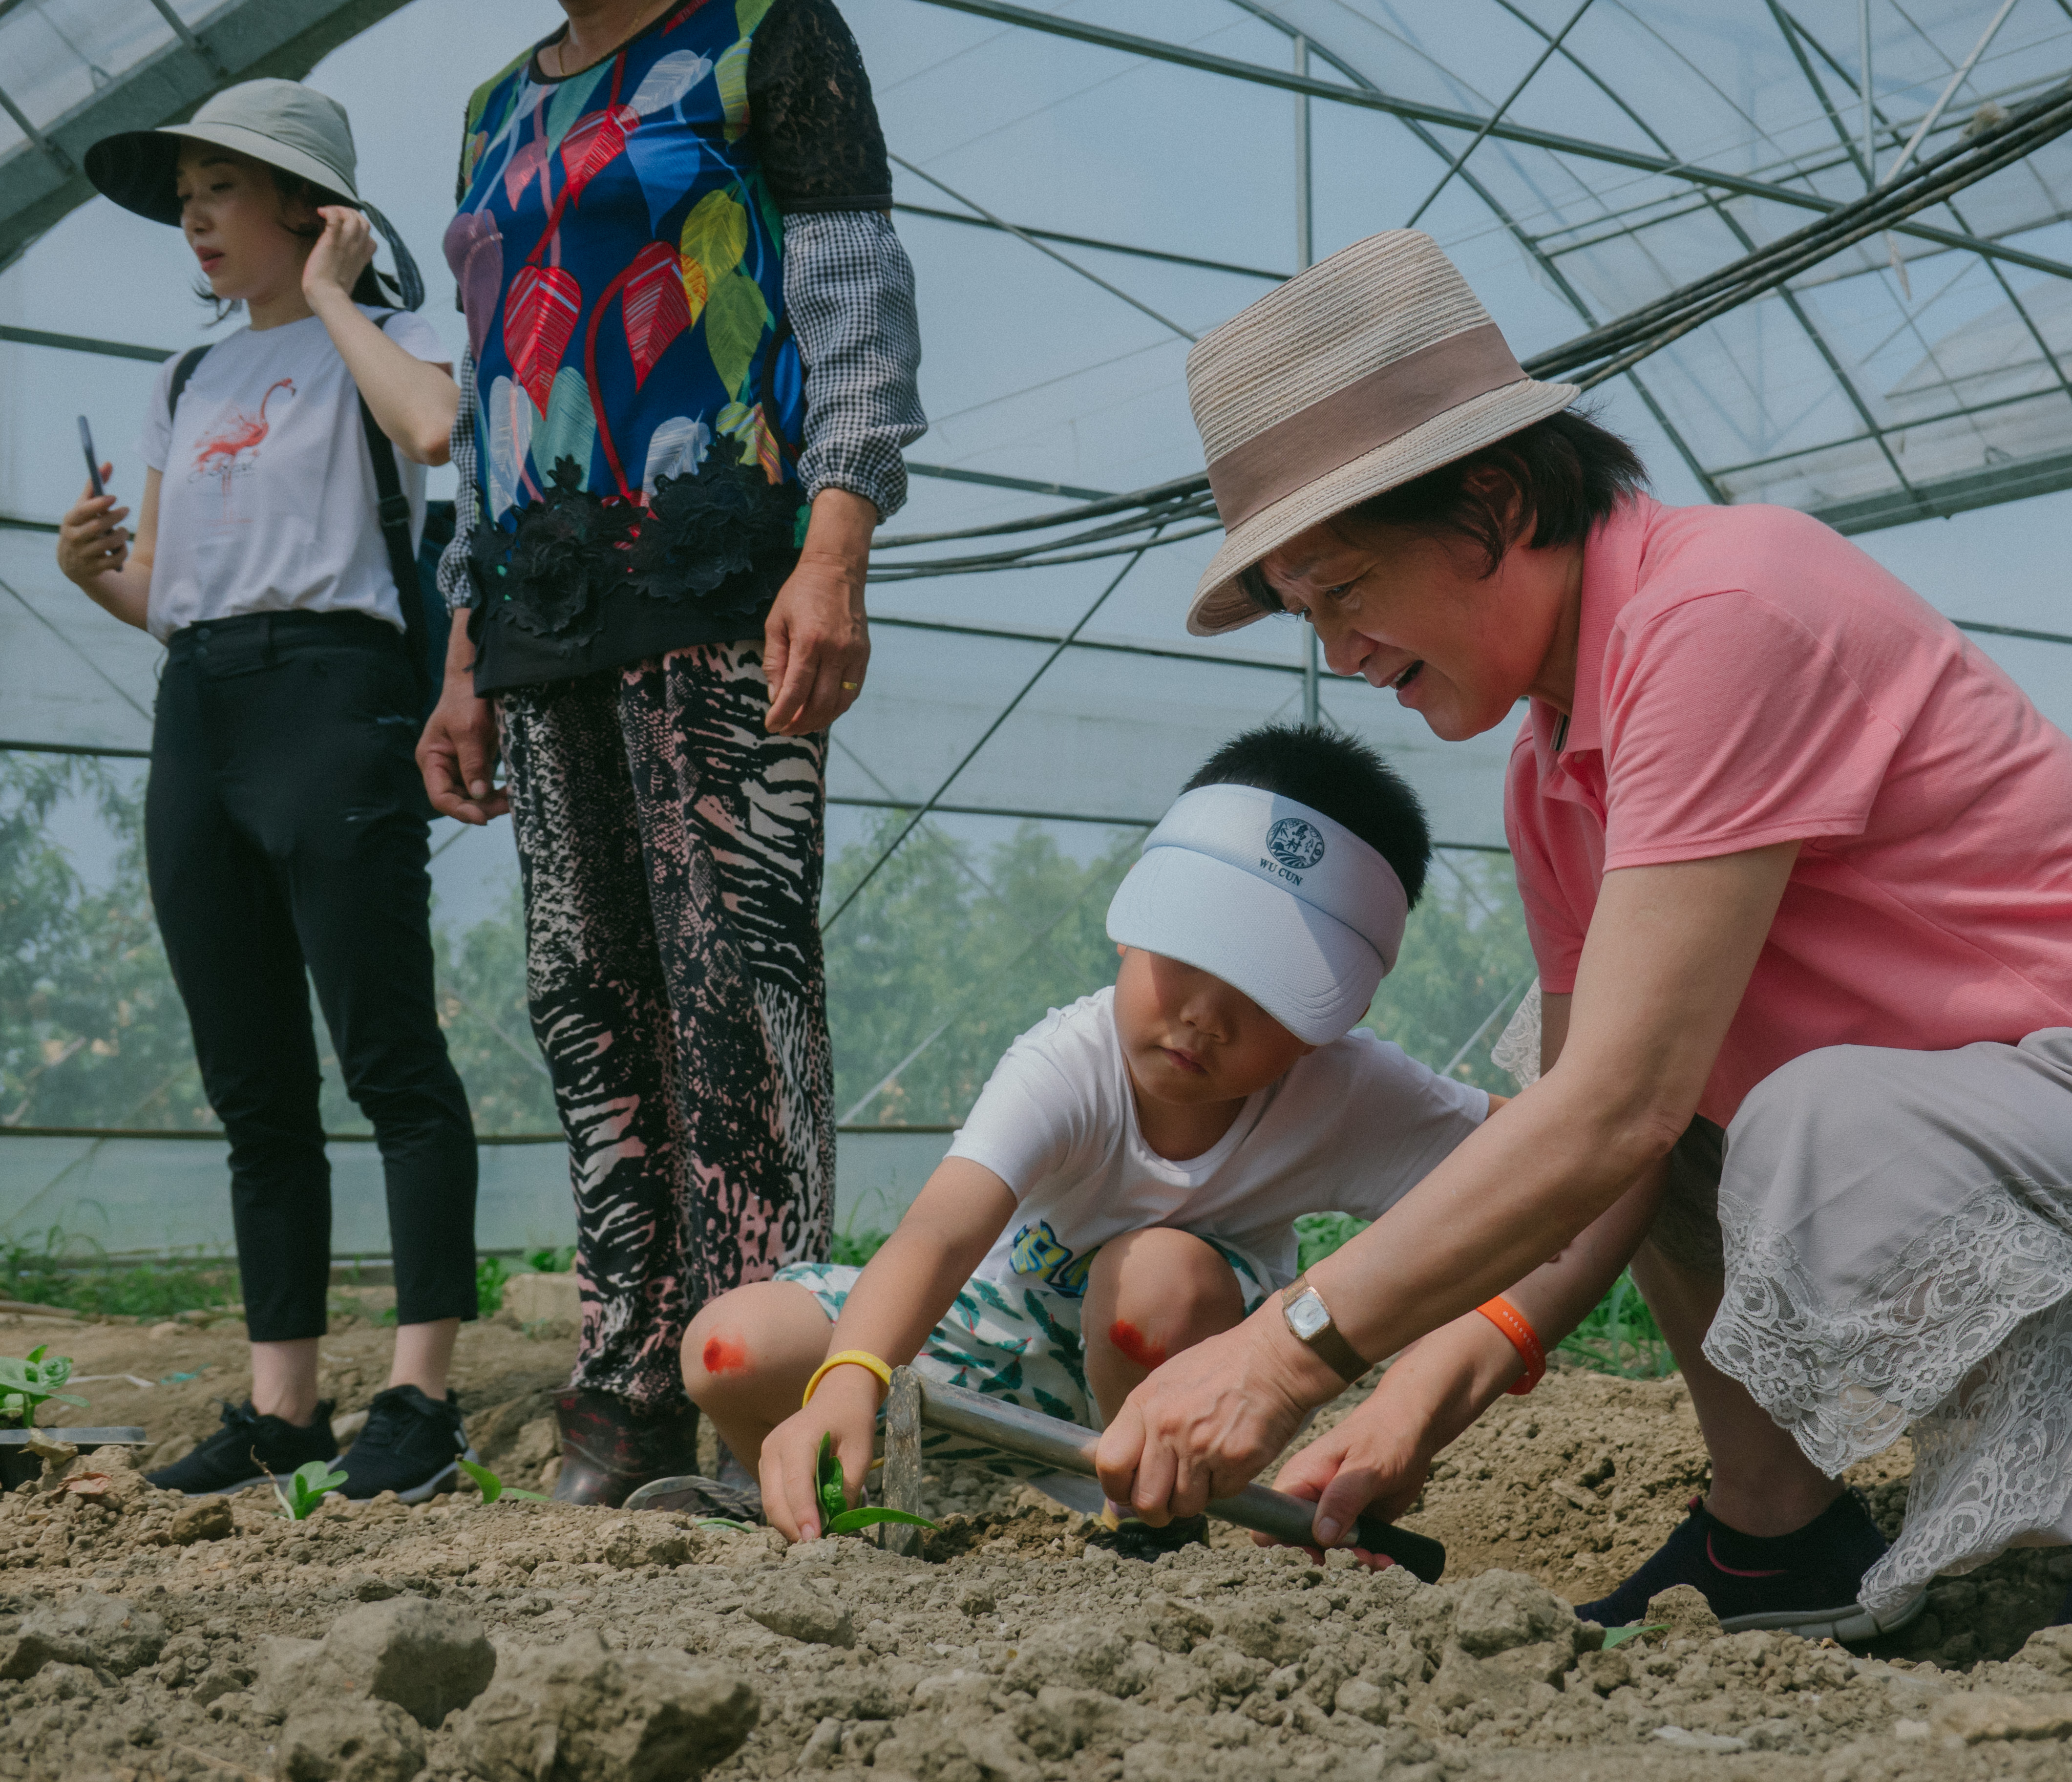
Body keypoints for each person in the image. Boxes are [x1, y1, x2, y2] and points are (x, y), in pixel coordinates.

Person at [1089, 230, 2072, 1645]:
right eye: (1306, 614)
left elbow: (1610, 1115)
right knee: (1649, 1092)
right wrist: (1421, 1395)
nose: (1340, 653)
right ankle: (1775, 1529)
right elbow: (1600, 1143)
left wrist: (1284, 1353)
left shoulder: (1722, 611)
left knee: (1808, 1115)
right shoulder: (1554, 774)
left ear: (1492, 501)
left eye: (1344, 590)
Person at [418, 0, 927, 1504]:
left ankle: (767, 1393)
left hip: (720, 560)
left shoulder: (765, 32)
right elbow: (485, 384)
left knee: (732, 981)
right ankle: (628, 1378)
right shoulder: (496, 107)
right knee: (584, 988)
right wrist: (462, 646)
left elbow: (851, 294)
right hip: (542, 594)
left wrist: (836, 547)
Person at [669, 726, 1506, 1544]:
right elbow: (937, 1234)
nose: (1205, 1017)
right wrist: (848, 1382)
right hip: (999, 1343)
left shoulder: (1348, 1095)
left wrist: (1420, 1389)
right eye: (1191, 951)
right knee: (729, 1346)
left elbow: (1543, 1162)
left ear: (1342, 1012)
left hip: (1187, 1374)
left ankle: (1150, 1527)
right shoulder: (1069, 1063)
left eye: (1268, 990)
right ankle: (815, 1507)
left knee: (1156, 1282)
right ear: (1134, 917)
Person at [59, 81, 482, 1501]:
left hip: (335, 701)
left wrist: (338, 296)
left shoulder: (397, 343)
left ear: (311, 207)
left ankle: (422, 1399)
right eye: (184, 195)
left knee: (390, 1059)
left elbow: (436, 433)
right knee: (253, 1084)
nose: (193, 218)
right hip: (202, 714)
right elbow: (171, 596)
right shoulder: (185, 381)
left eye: (220, 189)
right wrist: (91, 574)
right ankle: (282, 1410)